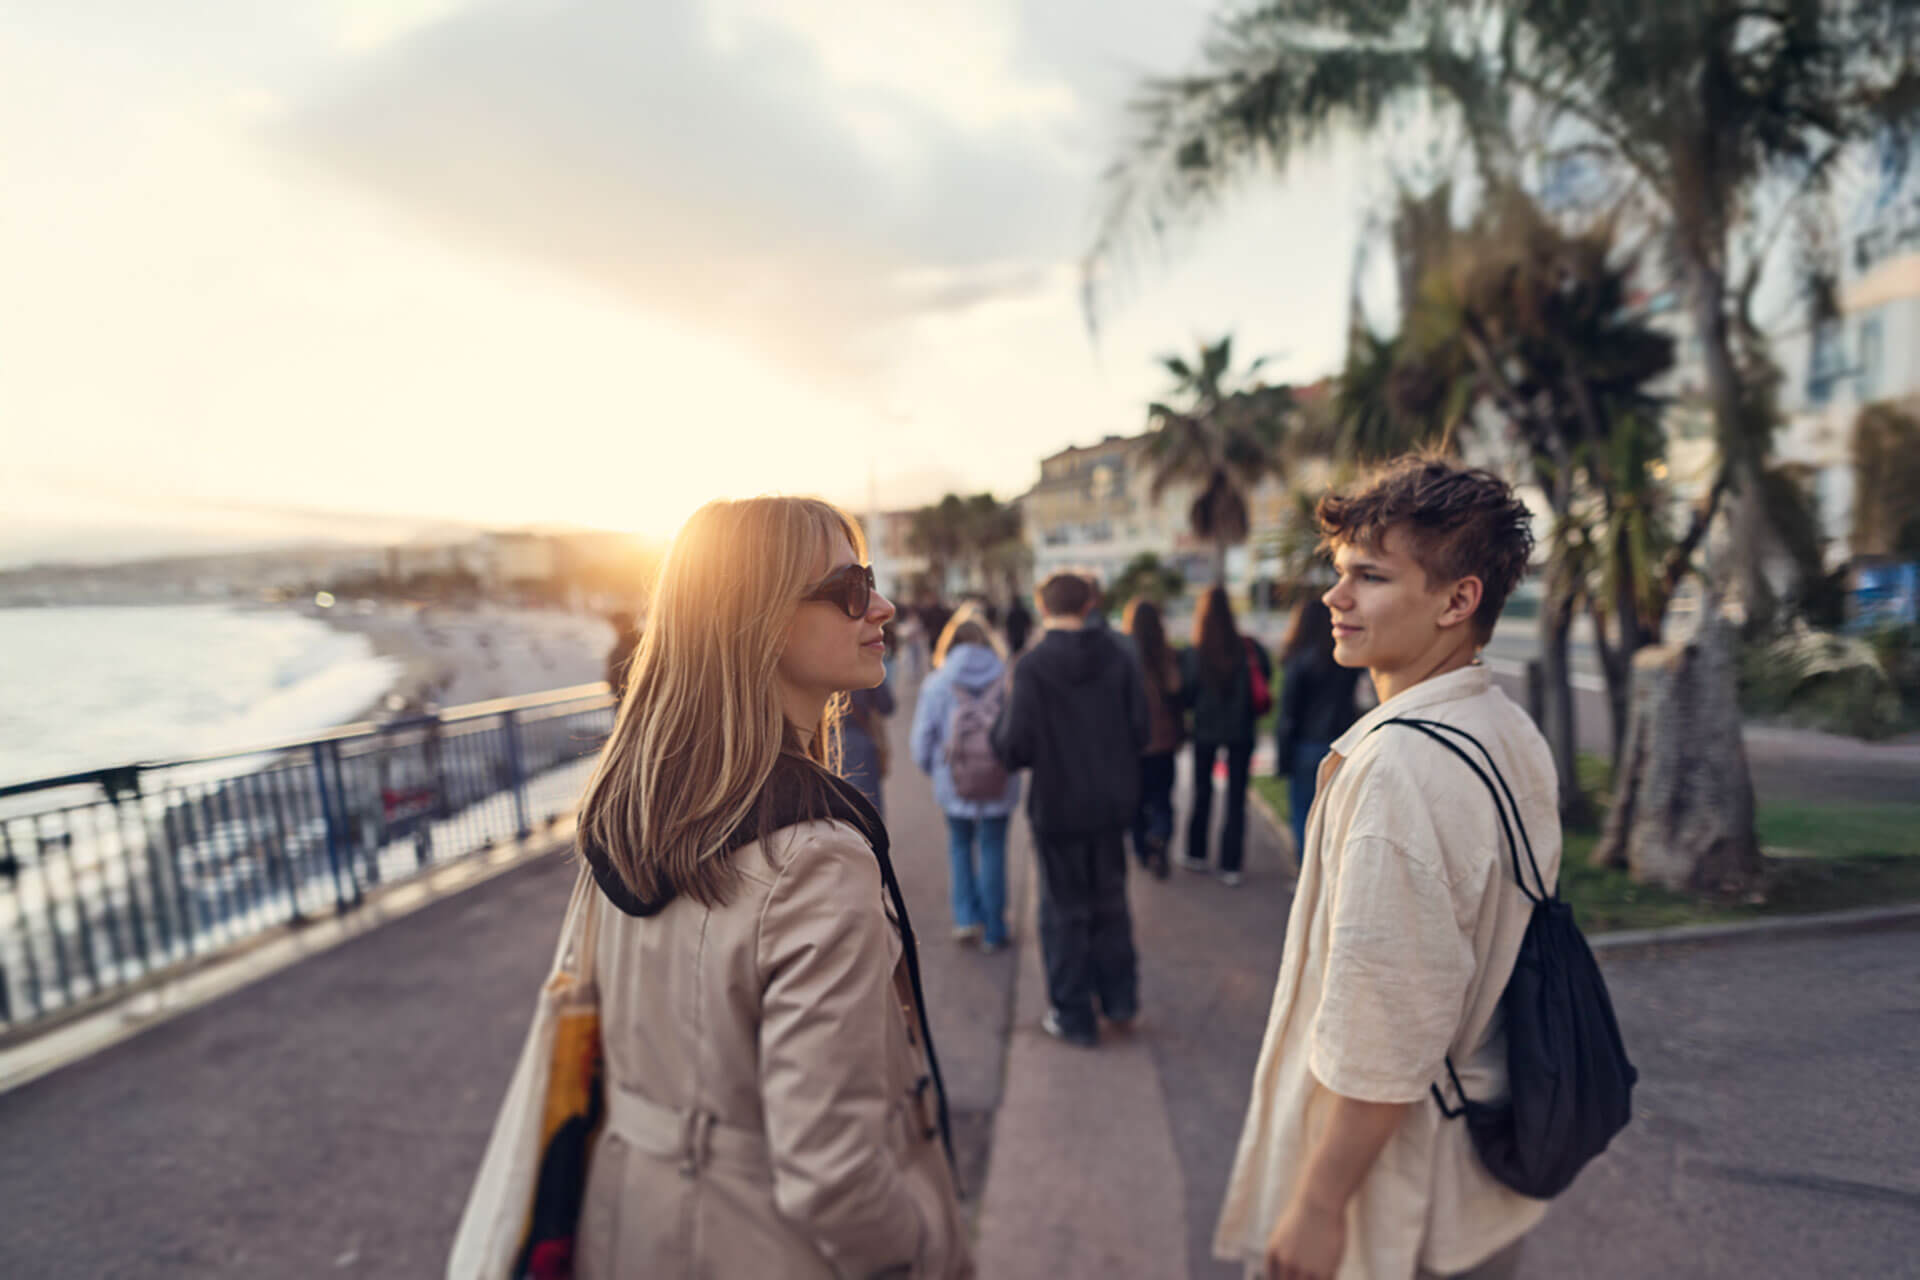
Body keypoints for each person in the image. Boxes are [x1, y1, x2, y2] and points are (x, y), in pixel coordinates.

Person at [571, 497, 970, 1279]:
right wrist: (925, 1247)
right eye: (850, 589)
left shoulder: (624, 812)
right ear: (762, 621)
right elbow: (834, 1178)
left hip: (634, 1226)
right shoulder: (815, 860)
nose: (882, 607)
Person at [1213, 456, 1558, 1280]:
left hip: (1395, 1210)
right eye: (1340, 573)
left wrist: (1318, 1205)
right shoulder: (1500, 723)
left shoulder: (1399, 772)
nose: (1334, 598)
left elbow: (1387, 1035)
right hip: (1478, 1176)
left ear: (1457, 600)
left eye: (1369, 577)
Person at [990, 572, 1149, 1048]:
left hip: (1057, 805)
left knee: (1063, 913)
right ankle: (1120, 1000)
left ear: (1043, 607)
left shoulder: (1033, 665)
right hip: (1112, 802)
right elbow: (1141, 729)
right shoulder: (1120, 655)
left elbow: (1014, 746)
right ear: (1088, 604)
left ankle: (1073, 1014)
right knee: (1111, 904)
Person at [910, 606, 1021, 953]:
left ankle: (965, 919)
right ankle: (994, 929)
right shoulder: (1007, 680)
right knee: (993, 848)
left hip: (953, 781)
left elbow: (921, 742)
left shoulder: (937, 682)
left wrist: (937, 771)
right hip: (999, 782)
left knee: (959, 846)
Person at [1178, 586, 1271, 887]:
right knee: (1236, 797)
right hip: (1241, 730)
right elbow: (1265, 678)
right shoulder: (1249, 648)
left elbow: (1186, 694)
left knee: (1202, 791)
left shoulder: (1194, 652)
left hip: (1205, 730)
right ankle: (1231, 864)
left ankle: (1197, 853)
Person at [1273, 596, 1363, 861]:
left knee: (1303, 811)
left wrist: (1283, 755)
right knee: (1335, 814)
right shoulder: (1346, 662)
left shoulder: (1298, 660)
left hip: (1306, 744)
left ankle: (1307, 868)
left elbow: (1288, 713)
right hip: (1342, 743)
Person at [1121, 597, 1182, 879]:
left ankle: (1142, 849)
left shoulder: (1123, 656)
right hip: (1164, 741)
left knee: (1135, 801)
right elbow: (1177, 689)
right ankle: (1160, 835)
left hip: (1133, 743)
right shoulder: (1167, 655)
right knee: (1162, 798)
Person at [841, 671, 895, 818]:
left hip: (828, 745)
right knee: (869, 808)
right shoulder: (863, 665)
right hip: (862, 745)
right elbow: (887, 705)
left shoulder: (820, 668)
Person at [603, 609, 639, 700]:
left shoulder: (620, 649)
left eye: (616, 626)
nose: (615, 629)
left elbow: (613, 679)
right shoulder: (644, 640)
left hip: (629, 697)